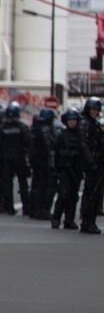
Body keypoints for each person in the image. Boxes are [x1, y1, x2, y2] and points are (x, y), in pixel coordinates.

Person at [0, 103, 30, 215]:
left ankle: (9, 207)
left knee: (8, 183)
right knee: (23, 184)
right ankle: (26, 207)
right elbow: (28, 142)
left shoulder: (2, 128)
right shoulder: (22, 127)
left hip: (6, 159)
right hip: (20, 158)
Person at [52, 108, 85, 230]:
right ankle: (56, 218)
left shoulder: (80, 135)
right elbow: (56, 154)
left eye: (74, 120)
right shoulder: (62, 135)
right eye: (70, 120)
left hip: (76, 169)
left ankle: (69, 219)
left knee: (73, 196)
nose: (72, 122)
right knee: (63, 195)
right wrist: (56, 171)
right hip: (65, 169)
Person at [80, 97, 104, 235]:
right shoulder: (85, 124)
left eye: (96, 110)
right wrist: (90, 162)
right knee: (90, 194)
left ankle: (91, 222)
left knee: (96, 195)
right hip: (91, 164)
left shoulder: (94, 124)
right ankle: (86, 222)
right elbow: (84, 145)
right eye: (93, 109)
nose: (95, 112)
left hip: (97, 162)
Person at [27, 108, 57, 220]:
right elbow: (50, 146)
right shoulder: (46, 130)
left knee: (36, 185)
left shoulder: (35, 129)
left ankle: (33, 209)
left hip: (37, 162)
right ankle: (42, 210)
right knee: (46, 187)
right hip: (45, 162)